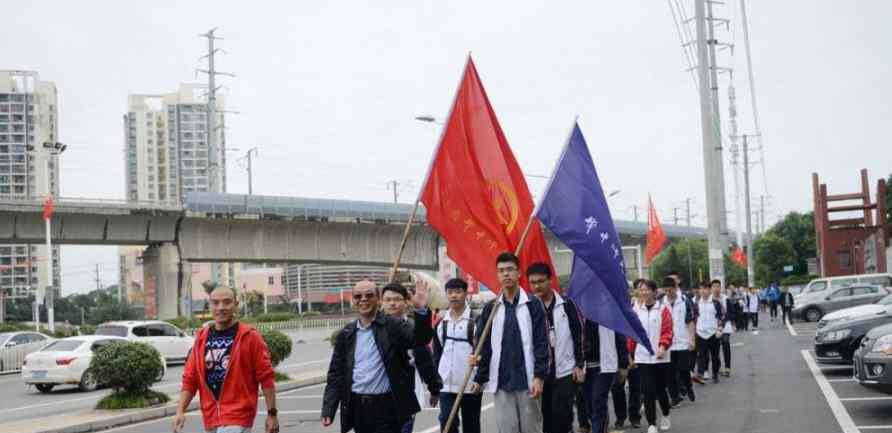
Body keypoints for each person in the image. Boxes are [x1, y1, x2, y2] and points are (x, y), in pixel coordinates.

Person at [321, 280, 433, 433]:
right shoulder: (346, 334)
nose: (363, 299)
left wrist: (421, 310)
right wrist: (329, 408)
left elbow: (420, 339)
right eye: (358, 296)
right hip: (358, 407)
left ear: (378, 299)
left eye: (369, 295)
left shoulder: (393, 326)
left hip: (387, 408)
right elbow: (336, 374)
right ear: (352, 301)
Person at [174, 286, 279, 433]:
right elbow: (190, 379)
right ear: (209, 305)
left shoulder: (250, 337)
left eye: (227, 302)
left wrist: (272, 414)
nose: (221, 307)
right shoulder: (201, 339)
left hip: (238, 416)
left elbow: (266, 378)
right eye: (215, 303)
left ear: (236, 304)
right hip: (211, 417)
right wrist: (180, 411)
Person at [471, 252, 549, 433]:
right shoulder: (491, 307)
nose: (506, 274)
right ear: (497, 275)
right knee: (508, 430)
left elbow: (541, 343)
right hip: (502, 382)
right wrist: (479, 377)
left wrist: (539, 376)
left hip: (528, 380)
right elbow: (484, 345)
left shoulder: (533, 304)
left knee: (532, 429)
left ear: (519, 273)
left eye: (510, 270)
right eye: (501, 271)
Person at [529, 262, 584, 433]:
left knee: (563, 415)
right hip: (540, 374)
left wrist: (579, 365)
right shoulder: (528, 308)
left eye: (541, 281)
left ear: (550, 280)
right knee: (545, 418)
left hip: (565, 371)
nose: (537, 286)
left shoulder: (567, 304)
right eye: (533, 282)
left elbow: (579, 335)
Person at [380, 283, 443, 433]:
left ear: (406, 302)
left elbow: (425, 361)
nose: (392, 303)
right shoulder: (374, 327)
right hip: (378, 396)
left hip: (406, 394)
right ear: (381, 302)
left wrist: (434, 387)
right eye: (387, 299)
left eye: (397, 299)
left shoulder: (413, 329)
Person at [432, 278, 482, 433]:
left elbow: (485, 353)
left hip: (470, 384)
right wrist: (435, 383)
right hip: (446, 384)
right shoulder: (441, 323)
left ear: (466, 293)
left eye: (458, 291)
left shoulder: (477, 321)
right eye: (450, 292)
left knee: (471, 426)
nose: (454, 296)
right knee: (446, 421)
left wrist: (480, 379)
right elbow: (437, 354)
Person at [627, 280, 673, 433]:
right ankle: (652, 423)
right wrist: (630, 354)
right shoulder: (636, 311)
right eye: (641, 290)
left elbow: (667, 331)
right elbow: (632, 335)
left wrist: (662, 346)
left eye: (647, 290)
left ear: (654, 292)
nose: (644, 292)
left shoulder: (663, 310)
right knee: (647, 390)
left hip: (660, 356)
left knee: (660, 389)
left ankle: (665, 414)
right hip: (642, 357)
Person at [612, 280, 644, 430]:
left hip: (635, 352)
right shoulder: (613, 310)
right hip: (618, 354)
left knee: (635, 387)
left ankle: (635, 416)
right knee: (617, 386)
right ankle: (620, 417)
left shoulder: (637, 309)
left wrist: (633, 355)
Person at [663, 277, 696, 406]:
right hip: (667, 344)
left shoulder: (685, 301)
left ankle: (689, 387)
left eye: (670, 290)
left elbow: (690, 322)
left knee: (683, 369)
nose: (668, 293)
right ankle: (675, 397)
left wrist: (692, 340)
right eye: (666, 291)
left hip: (682, 341)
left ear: (676, 288)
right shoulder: (661, 303)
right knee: (670, 373)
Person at [694, 282, 724, 385]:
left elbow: (720, 317)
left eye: (705, 289)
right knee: (701, 355)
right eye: (701, 289)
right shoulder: (696, 303)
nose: (703, 291)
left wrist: (719, 329)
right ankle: (701, 373)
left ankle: (715, 374)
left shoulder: (716, 303)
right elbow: (694, 318)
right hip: (700, 333)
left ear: (709, 290)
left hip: (713, 333)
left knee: (715, 356)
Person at [713, 280, 737, 378]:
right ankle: (717, 368)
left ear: (721, 287)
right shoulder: (709, 300)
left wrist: (732, 323)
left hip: (726, 325)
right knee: (715, 348)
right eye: (714, 286)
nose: (716, 288)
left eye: (718, 286)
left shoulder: (726, 299)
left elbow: (731, 313)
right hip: (714, 326)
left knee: (726, 343)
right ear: (711, 288)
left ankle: (727, 368)